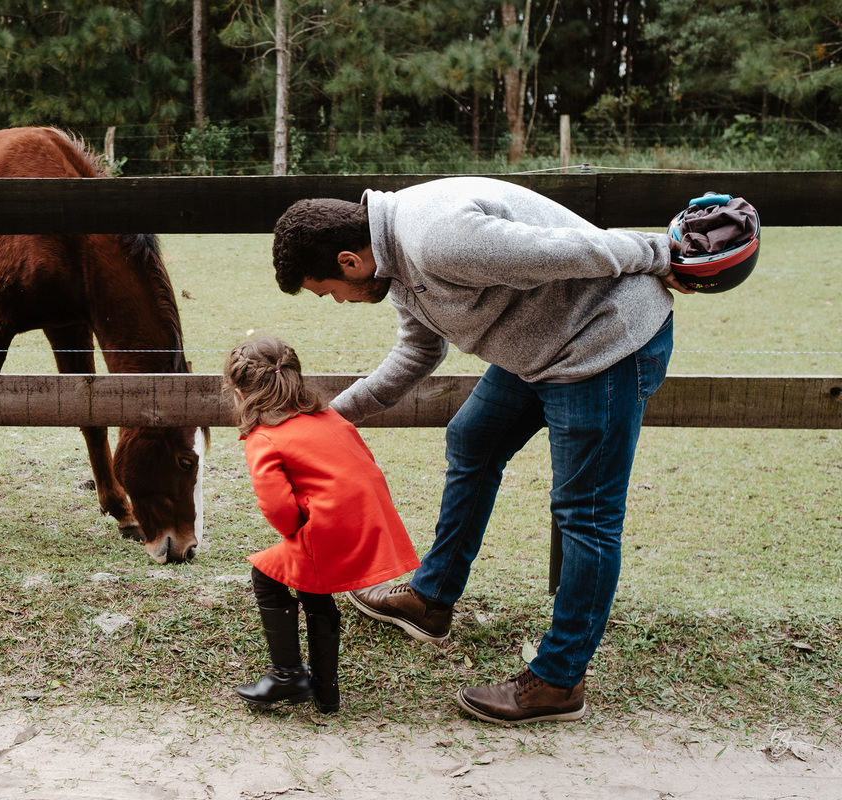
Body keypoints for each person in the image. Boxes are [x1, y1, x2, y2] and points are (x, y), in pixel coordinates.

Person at [271, 176, 693, 725]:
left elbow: (566, 249)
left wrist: (661, 252)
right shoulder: (398, 270)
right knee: (472, 438)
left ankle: (558, 681)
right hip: (539, 352)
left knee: (585, 516)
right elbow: (417, 353)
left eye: (328, 290)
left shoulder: (436, 239)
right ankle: (432, 600)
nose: (338, 302)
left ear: (350, 260)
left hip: (603, 345)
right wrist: (327, 421)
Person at [224, 336, 420, 713]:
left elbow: (279, 510)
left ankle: (287, 675)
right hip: (370, 523)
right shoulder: (329, 416)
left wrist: (298, 524)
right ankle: (325, 690)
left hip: (332, 528)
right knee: (308, 582)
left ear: (239, 391)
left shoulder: (264, 438)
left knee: (268, 576)